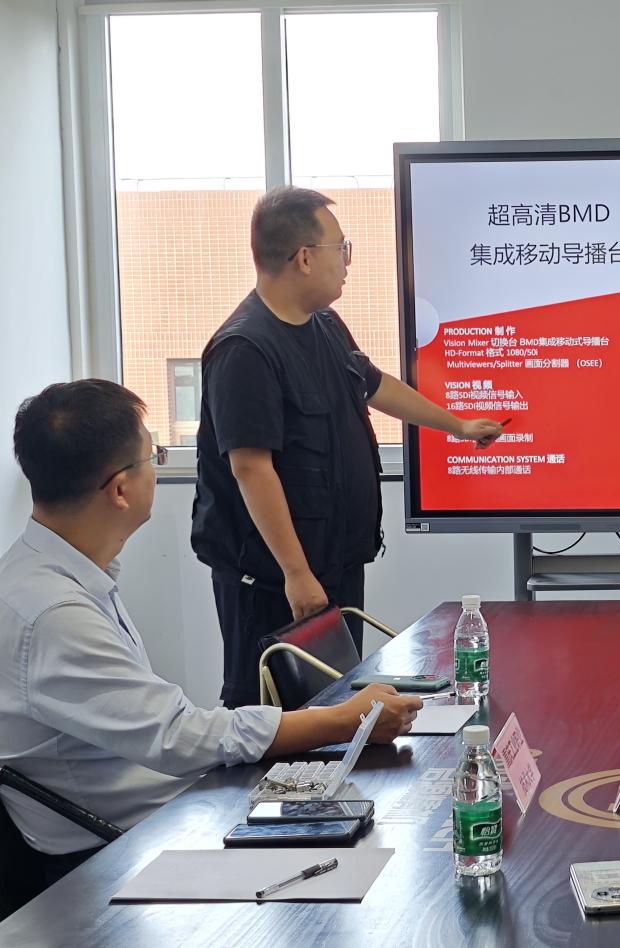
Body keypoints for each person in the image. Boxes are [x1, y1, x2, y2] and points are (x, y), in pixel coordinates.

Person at [0, 381, 422, 876]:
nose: (156, 469)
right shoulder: (54, 613)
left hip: (165, 808)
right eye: (152, 456)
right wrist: (347, 721)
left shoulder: (50, 575)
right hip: (116, 850)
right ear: (120, 490)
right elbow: (178, 736)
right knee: (377, 848)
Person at [192, 186, 504, 708]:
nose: (347, 261)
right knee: (271, 715)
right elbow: (251, 469)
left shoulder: (325, 326)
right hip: (274, 580)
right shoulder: (244, 349)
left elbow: (374, 384)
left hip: (332, 565)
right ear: (304, 257)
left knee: (336, 705)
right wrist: (296, 574)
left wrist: (457, 426)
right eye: (341, 247)